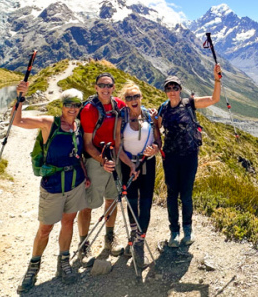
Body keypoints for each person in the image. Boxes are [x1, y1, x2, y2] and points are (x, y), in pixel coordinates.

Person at [12, 85, 88, 293]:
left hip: (75, 182)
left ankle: (64, 260)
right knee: (45, 228)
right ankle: (33, 266)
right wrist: (20, 97)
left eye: (76, 105)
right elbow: (18, 121)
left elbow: (78, 154)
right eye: (68, 105)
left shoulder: (78, 126)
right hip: (52, 185)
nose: (72, 109)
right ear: (62, 105)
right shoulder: (49, 123)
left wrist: (86, 175)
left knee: (68, 222)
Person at [156, 65, 221, 247]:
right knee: (171, 195)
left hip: (189, 156)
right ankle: (174, 232)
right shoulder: (163, 108)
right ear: (165, 91)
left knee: (186, 195)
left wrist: (217, 79)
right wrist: (158, 143)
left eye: (175, 88)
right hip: (170, 157)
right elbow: (157, 126)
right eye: (168, 88)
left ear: (180, 89)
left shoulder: (190, 103)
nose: (172, 91)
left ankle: (187, 231)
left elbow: (214, 99)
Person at [77, 72, 125, 259]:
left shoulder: (119, 105)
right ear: (95, 87)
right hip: (96, 159)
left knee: (112, 200)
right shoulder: (89, 110)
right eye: (102, 85)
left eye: (109, 85)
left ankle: (109, 237)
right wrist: (103, 161)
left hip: (115, 157)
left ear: (113, 87)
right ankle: (83, 244)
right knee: (88, 204)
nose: (105, 89)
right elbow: (88, 144)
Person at [114, 81, 161, 266]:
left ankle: (140, 241)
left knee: (146, 202)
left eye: (136, 96)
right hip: (128, 165)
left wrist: (155, 149)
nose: (133, 100)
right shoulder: (121, 117)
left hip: (147, 164)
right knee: (132, 201)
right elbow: (118, 145)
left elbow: (158, 140)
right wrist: (130, 165)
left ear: (141, 97)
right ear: (125, 101)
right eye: (129, 97)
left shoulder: (150, 116)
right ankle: (134, 236)